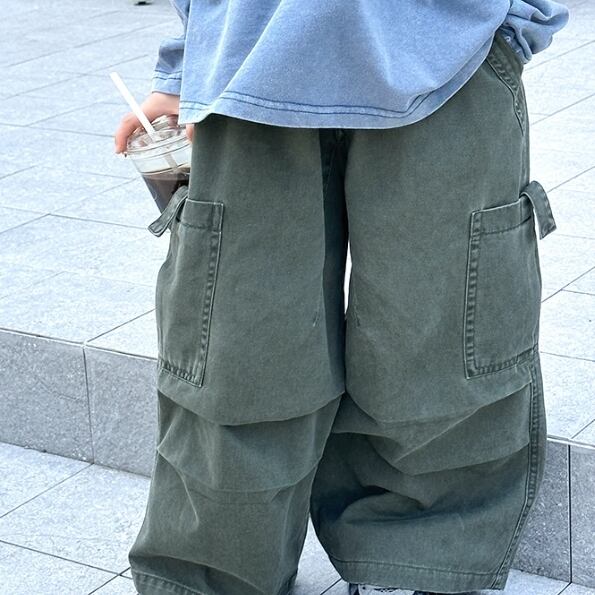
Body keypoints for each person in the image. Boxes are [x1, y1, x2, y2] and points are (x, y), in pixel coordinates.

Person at [114, 1, 569, 594]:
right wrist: (185, 64)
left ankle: (412, 563)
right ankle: (218, 577)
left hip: (448, 57)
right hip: (247, 67)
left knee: (441, 342)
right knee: (235, 351)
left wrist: (511, 23)